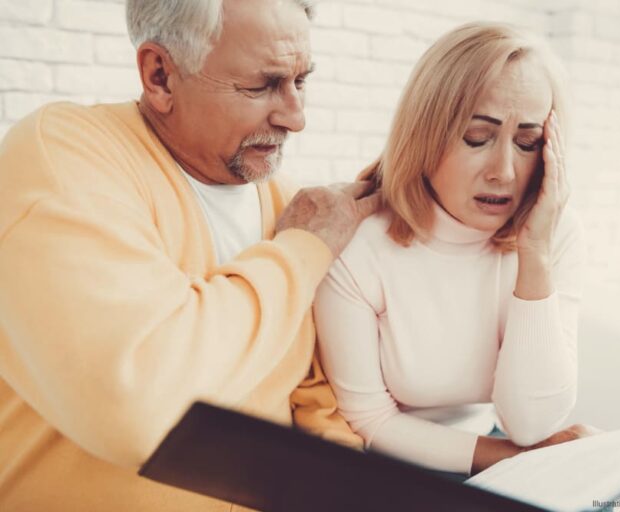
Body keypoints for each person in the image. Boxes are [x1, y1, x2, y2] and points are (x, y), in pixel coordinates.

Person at [0, 0, 380, 510]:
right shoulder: (60, 159)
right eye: (261, 86)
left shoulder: (288, 205)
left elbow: (315, 400)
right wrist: (301, 251)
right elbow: (142, 411)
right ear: (160, 75)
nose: (296, 117)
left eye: (300, 81)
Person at [314, 22, 590, 478]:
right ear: (425, 133)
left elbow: (532, 424)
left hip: (496, 448)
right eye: (477, 137)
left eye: (528, 142)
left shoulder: (554, 233)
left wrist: (535, 253)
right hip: (391, 465)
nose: (504, 172)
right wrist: (516, 459)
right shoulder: (359, 243)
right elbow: (370, 421)